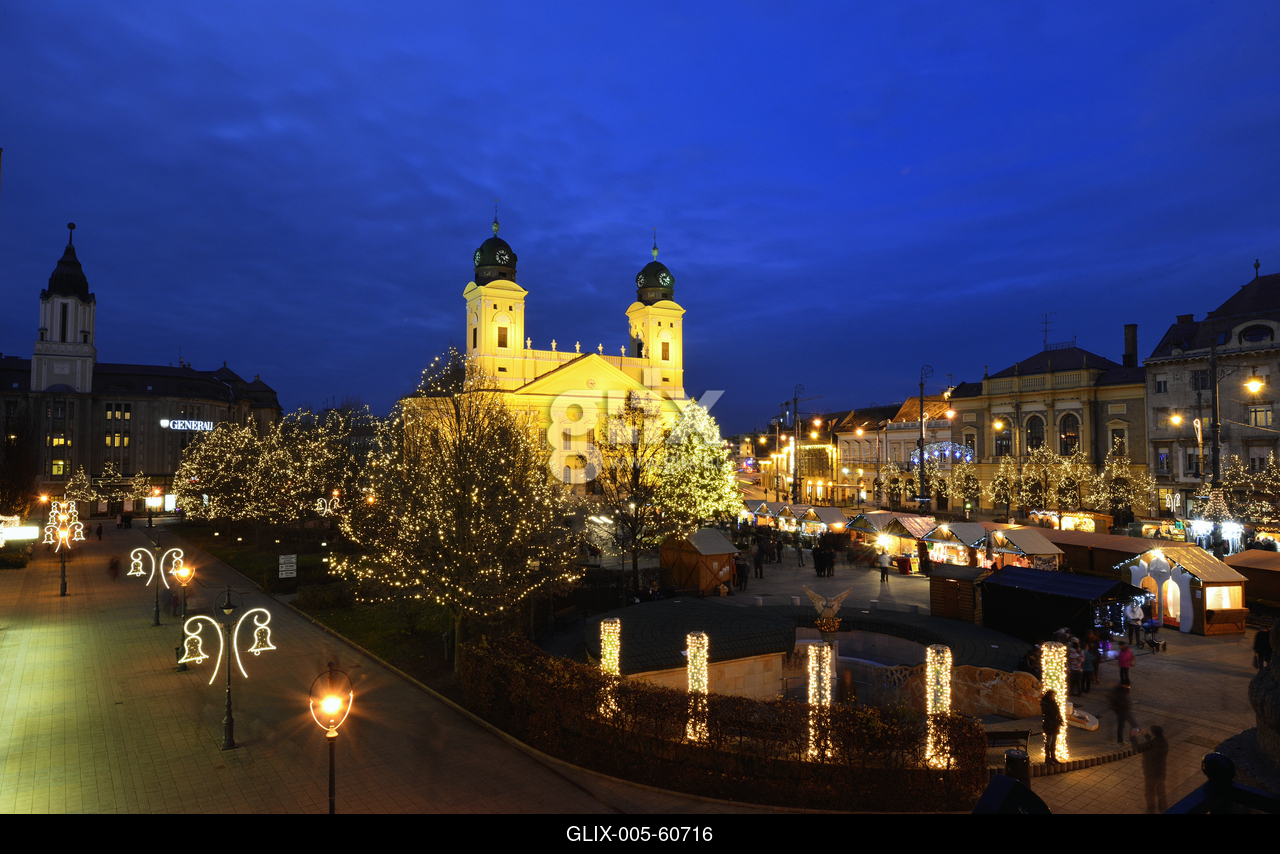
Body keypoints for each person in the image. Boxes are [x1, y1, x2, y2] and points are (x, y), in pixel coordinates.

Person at [1131, 725, 1168, 813]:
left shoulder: (1150, 745)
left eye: (1150, 732)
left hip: (1151, 774)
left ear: (1153, 734)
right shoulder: (1163, 741)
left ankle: (1151, 811)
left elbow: (1137, 747)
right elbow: (1154, 741)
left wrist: (1133, 736)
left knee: (1150, 794)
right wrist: (1145, 734)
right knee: (1161, 792)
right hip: (1161, 772)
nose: (1150, 733)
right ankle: (1164, 810)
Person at [1041, 690, 1063, 764]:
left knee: (1054, 740)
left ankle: (1053, 757)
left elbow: (1058, 713)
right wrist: (1055, 722)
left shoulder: (1054, 703)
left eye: (1054, 696)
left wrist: (1059, 722)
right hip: (1049, 725)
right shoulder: (1045, 704)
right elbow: (1048, 715)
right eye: (1052, 696)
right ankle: (1047, 757)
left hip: (1055, 724)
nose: (1053, 697)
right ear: (1049, 696)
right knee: (1049, 740)